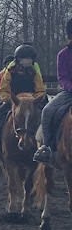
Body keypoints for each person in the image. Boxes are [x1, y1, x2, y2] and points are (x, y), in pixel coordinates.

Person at [0, 43, 45, 156]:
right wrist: (8, 99)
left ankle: (47, 145)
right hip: (14, 99)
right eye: (24, 59)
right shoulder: (10, 70)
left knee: (47, 112)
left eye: (29, 59)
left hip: (31, 100)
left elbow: (40, 88)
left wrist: (35, 99)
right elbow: (4, 88)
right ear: (18, 60)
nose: (27, 61)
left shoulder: (34, 70)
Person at [33, 19, 72, 164]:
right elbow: (62, 78)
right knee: (47, 111)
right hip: (69, 92)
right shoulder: (63, 55)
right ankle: (47, 147)